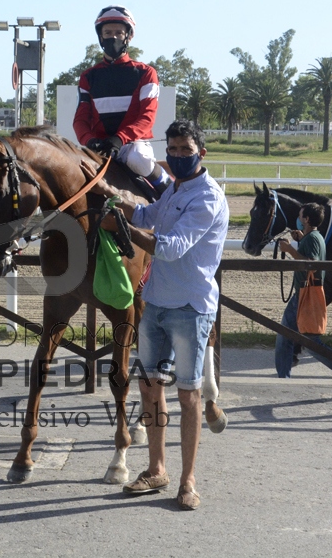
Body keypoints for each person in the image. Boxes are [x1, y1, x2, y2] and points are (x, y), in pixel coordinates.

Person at [81, 119, 228, 510]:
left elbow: (172, 247)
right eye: (173, 150)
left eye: (185, 150)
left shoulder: (208, 198)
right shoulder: (175, 189)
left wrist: (121, 228)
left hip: (190, 307)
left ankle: (188, 480)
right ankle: (156, 468)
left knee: (188, 395)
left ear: (201, 153)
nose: (178, 156)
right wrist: (110, 193)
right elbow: (146, 215)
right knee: (150, 387)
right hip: (157, 303)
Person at [73, 5, 169, 193]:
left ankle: (171, 193)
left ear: (129, 36)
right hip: (99, 145)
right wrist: (89, 140)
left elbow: (147, 117)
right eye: (108, 33)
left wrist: (120, 138)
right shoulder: (88, 76)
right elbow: (80, 119)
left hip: (132, 144)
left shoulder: (146, 73)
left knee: (138, 159)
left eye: (119, 32)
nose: (113, 37)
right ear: (101, 37)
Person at [276, 203, 332, 380]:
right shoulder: (313, 237)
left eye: (301, 216)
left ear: (306, 219)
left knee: (291, 338)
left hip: (304, 296)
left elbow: (311, 263)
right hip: (306, 294)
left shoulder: (312, 239)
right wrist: (301, 239)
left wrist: (289, 249)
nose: (298, 219)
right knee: (300, 340)